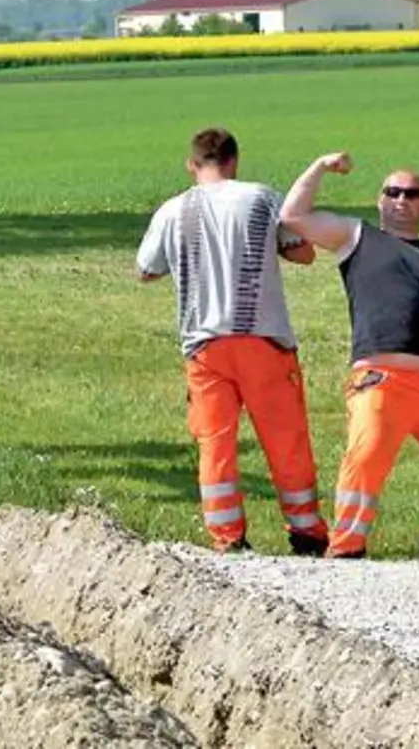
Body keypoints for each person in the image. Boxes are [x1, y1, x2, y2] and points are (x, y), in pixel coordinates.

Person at [279, 153, 419, 561]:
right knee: (365, 461)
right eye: (392, 192)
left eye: (412, 194)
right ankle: (346, 550)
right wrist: (320, 167)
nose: (401, 199)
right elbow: (293, 217)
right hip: (379, 380)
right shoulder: (356, 238)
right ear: (379, 201)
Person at [136, 126, 329, 556]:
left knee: (216, 443)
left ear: (192, 165)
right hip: (265, 339)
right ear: (234, 161)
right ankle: (306, 532)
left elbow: (146, 269)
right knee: (286, 439)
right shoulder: (261, 197)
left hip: (204, 346)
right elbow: (303, 252)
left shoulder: (173, 209)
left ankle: (228, 537)